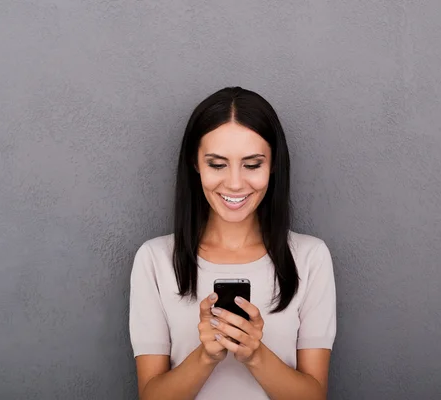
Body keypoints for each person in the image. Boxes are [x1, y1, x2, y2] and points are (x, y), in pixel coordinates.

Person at [129, 86, 336, 399]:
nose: (236, 183)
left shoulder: (310, 258)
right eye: (217, 164)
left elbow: (314, 396)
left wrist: (254, 355)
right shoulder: (155, 260)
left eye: (252, 165)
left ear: (274, 165)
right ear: (195, 163)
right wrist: (205, 357)